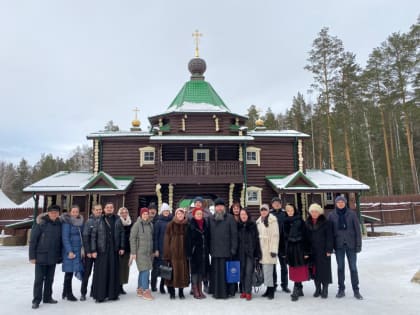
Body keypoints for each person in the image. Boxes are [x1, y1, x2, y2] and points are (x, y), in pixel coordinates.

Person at [328, 195, 363, 300]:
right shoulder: (331, 215)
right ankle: (341, 289)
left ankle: (356, 290)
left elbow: (357, 231)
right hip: (338, 246)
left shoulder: (352, 214)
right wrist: (330, 246)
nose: (340, 203)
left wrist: (358, 245)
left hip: (351, 245)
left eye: (342, 202)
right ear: (336, 203)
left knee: (353, 268)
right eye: (338, 202)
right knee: (340, 268)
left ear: (345, 203)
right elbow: (329, 233)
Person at [29, 205, 63, 309]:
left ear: (58, 214)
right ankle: (36, 300)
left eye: (56, 212)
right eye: (52, 212)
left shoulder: (59, 224)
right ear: (48, 213)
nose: (54, 214)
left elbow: (60, 242)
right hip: (41, 256)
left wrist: (60, 255)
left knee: (50, 279)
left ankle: (47, 297)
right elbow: (33, 241)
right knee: (39, 280)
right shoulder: (41, 223)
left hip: (53, 256)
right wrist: (32, 256)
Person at [91, 202, 125, 303]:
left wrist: (122, 247)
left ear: (113, 209)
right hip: (102, 250)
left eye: (111, 207)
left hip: (114, 250)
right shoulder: (98, 220)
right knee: (101, 273)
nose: (109, 209)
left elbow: (122, 233)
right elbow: (93, 236)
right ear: (104, 209)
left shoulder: (118, 219)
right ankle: (100, 296)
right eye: (107, 207)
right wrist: (93, 250)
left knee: (113, 272)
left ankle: (113, 295)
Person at [208, 198, 238, 299]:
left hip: (227, 252)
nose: (219, 208)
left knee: (227, 274)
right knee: (216, 274)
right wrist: (209, 249)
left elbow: (234, 235)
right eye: (217, 206)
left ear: (224, 207)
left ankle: (227, 292)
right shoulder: (210, 219)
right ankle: (216, 292)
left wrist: (233, 248)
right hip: (215, 252)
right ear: (215, 208)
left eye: (221, 206)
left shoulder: (230, 218)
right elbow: (209, 236)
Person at [281, 203, 310, 302]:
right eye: (288, 210)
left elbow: (306, 236)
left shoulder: (300, 221)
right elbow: (283, 238)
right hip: (290, 249)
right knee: (293, 269)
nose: (289, 212)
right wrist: (284, 251)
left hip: (300, 248)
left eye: (291, 210)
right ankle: (300, 287)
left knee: (299, 269)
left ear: (294, 210)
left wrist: (306, 251)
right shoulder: (284, 222)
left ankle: (296, 289)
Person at [306, 203, 333, 299]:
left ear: (320, 212)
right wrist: (306, 251)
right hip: (312, 251)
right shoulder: (307, 222)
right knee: (315, 270)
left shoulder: (326, 222)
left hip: (323, 250)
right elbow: (306, 237)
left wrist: (329, 249)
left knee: (324, 270)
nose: (314, 213)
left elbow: (330, 237)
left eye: (316, 211)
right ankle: (318, 288)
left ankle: (325, 289)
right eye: (312, 211)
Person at [163, 208, 189, 299]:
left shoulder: (187, 225)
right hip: (173, 254)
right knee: (172, 274)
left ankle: (181, 292)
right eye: (178, 214)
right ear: (175, 215)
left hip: (183, 255)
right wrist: (167, 254)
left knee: (182, 274)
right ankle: (172, 292)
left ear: (184, 215)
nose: (180, 215)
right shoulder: (170, 225)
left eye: (181, 214)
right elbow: (167, 240)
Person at [186, 207, 210, 299]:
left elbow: (207, 238)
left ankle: (200, 289)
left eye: (200, 214)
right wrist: (189, 253)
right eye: (197, 214)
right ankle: (195, 290)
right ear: (194, 215)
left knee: (201, 271)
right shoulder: (191, 225)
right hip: (194, 252)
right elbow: (188, 241)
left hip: (203, 252)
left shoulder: (205, 224)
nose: (199, 215)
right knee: (195, 272)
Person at [61, 205, 84, 302]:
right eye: (73, 211)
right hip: (70, 251)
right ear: (70, 212)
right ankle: (69, 294)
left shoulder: (81, 222)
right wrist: (69, 251)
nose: (75, 213)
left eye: (77, 212)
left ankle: (65, 292)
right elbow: (65, 238)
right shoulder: (67, 223)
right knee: (69, 272)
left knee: (71, 270)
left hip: (78, 250)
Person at [130, 207, 154, 301]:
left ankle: (139, 288)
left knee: (142, 270)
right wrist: (133, 252)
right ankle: (145, 291)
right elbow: (132, 239)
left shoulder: (150, 224)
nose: (146, 215)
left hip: (148, 252)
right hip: (140, 252)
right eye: (144, 214)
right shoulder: (137, 225)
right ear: (141, 215)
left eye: (147, 214)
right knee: (146, 270)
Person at [256, 203, 279, 300]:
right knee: (265, 272)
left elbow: (275, 236)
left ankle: (271, 290)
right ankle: (268, 289)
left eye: (265, 210)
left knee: (269, 271)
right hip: (262, 249)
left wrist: (273, 250)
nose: (263, 211)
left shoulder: (272, 220)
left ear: (268, 210)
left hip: (269, 249)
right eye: (262, 210)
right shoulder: (259, 221)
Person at [237, 208, 261, 301]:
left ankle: (248, 292)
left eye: (245, 214)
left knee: (248, 272)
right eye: (241, 214)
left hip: (250, 254)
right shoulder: (238, 225)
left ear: (248, 215)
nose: (243, 216)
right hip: (240, 253)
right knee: (242, 272)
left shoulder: (252, 225)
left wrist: (257, 253)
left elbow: (256, 240)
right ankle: (243, 291)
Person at [80, 204, 102, 301]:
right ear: (93, 211)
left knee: (97, 273)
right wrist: (88, 251)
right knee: (87, 273)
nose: (99, 211)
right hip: (90, 253)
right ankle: (83, 293)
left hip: (100, 252)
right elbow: (85, 237)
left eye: (100, 210)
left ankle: (94, 291)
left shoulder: (103, 220)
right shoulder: (89, 221)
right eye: (96, 210)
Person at [270, 197, 290, 293]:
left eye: (278, 203)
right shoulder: (269, 214)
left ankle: (284, 285)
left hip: (282, 244)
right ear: (272, 205)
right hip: (273, 244)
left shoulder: (284, 214)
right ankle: (273, 284)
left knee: (283, 266)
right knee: (273, 266)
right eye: (275, 203)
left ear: (281, 204)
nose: (276, 204)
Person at [153, 202, 173, 294]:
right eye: (164, 211)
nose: (166, 212)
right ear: (162, 212)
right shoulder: (158, 222)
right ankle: (157, 285)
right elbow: (155, 237)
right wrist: (156, 249)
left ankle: (166, 285)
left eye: (167, 211)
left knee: (168, 268)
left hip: (170, 248)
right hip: (161, 248)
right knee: (160, 268)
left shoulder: (172, 221)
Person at [117, 207, 133, 295]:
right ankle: (116, 286)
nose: (124, 214)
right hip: (119, 249)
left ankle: (121, 286)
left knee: (125, 269)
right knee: (118, 268)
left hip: (128, 249)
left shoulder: (131, 223)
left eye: (126, 212)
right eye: (122, 212)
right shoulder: (117, 222)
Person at [148, 202, 160, 292]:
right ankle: (143, 285)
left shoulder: (158, 220)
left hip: (155, 247)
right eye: (151, 209)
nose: (152, 211)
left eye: (154, 209)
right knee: (145, 268)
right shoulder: (145, 218)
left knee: (155, 268)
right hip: (146, 248)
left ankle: (153, 285)